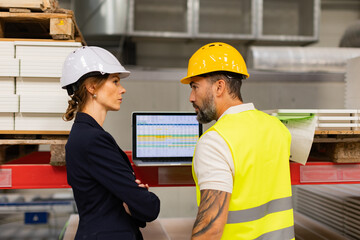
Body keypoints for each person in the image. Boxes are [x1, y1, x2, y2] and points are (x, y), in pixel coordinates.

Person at [180, 42, 294, 240]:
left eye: (195, 86)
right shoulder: (277, 129)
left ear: (219, 87)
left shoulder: (215, 142)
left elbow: (210, 230)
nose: (191, 97)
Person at [60, 46, 160, 240]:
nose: (122, 89)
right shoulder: (93, 140)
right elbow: (149, 208)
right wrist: (138, 197)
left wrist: (131, 198)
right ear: (92, 87)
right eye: (115, 81)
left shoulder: (86, 134)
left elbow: (130, 205)